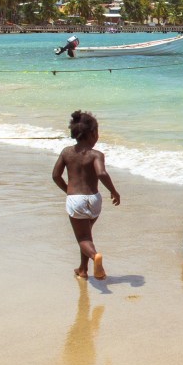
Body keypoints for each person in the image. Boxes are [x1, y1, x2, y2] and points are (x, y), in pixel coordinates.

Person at [52, 110, 121, 280]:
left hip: (76, 200)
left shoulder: (67, 152)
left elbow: (55, 176)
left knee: (83, 237)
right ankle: (83, 269)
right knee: (86, 235)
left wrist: (68, 189)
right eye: (97, 132)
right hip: (94, 199)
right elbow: (102, 174)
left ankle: (95, 256)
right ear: (91, 134)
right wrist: (113, 190)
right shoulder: (96, 155)